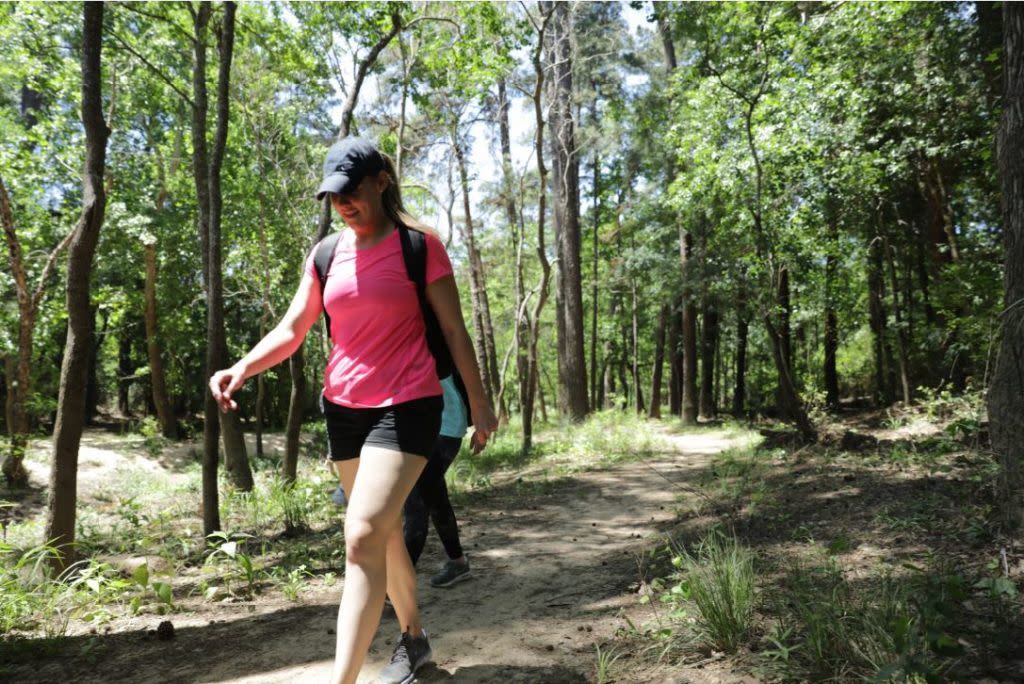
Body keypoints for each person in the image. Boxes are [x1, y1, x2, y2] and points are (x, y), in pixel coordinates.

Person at [208, 137, 497, 684]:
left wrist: (480, 405)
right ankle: (414, 642)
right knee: (383, 535)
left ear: (381, 183)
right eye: (333, 195)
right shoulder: (326, 254)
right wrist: (241, 367)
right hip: (344, 408)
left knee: (362, 533)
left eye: (351, 191)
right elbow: (294, 328)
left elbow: (455, 331)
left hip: (409, 402)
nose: (342, 203)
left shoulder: (420, 246)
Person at [403, 374, 472, 588]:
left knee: (417, 501)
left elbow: (465, 366)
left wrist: (481, 414)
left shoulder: (436, 339)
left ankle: (395, 584)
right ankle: (458, 562)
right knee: (434, 496)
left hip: (445, 425)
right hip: (418, 428)